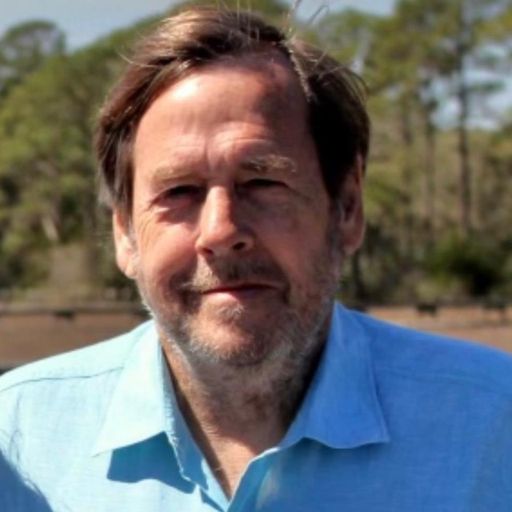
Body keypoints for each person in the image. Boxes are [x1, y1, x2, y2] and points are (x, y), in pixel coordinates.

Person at [1, 6, 512, 511]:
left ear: (347, 207)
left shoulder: (494, 425)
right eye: (179, 191)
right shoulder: (18, 436)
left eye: (263, 181)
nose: (221, 231)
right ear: (124, 233)